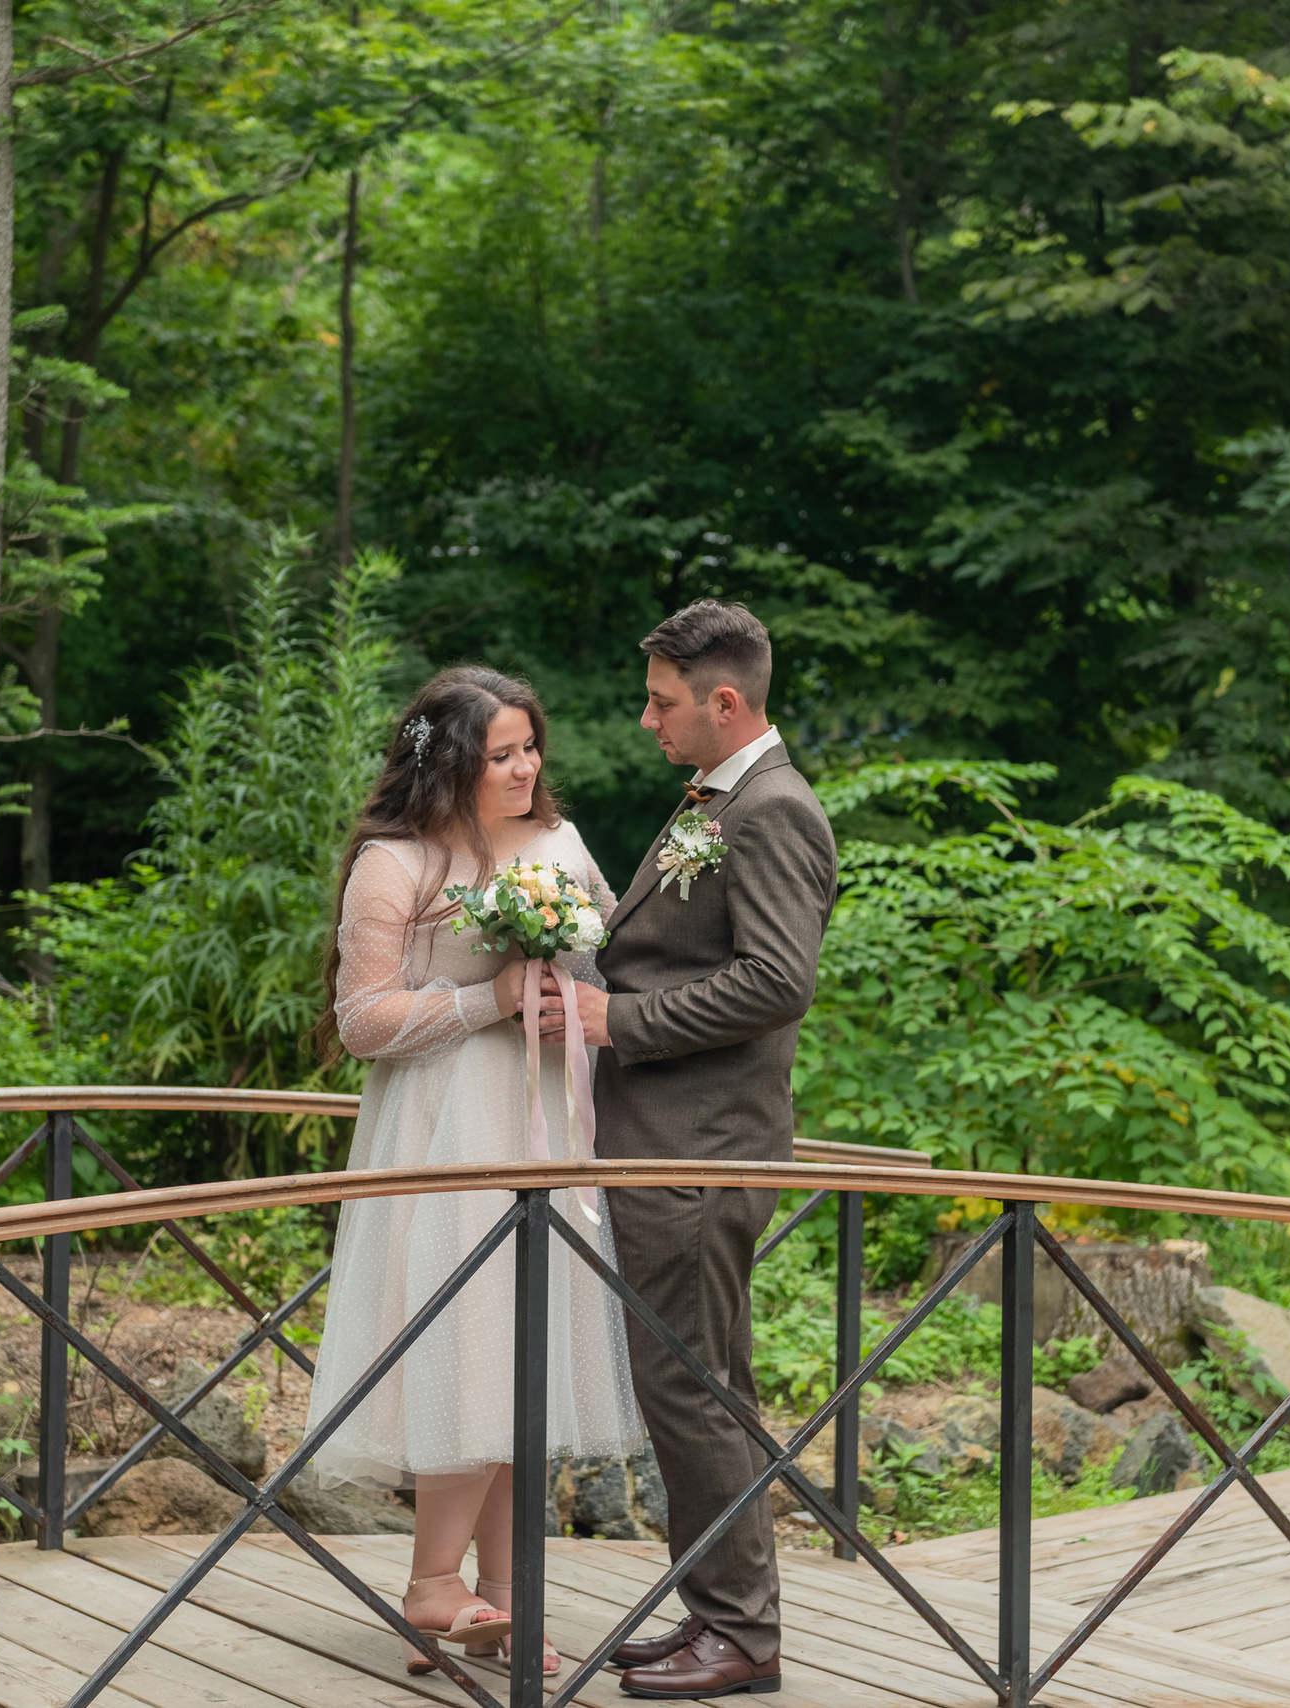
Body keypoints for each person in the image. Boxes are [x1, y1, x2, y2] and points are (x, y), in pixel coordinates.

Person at [302, 665, 642, 1679]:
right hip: (445, 1130)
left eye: (531, 747)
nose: (526, 767)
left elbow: (607, 963)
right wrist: (490, 999)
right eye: (503, 753)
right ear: (449, 758)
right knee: (471, 1336)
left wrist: (573, 999)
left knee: (527, 1353)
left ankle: (501, 1598)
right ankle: (434, 1583)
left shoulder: (562, 847)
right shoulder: (395, 860)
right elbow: (362, 1021)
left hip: (546, 1123)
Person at [536, 600, 838, 1700]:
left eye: (663, 700)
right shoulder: (720, 799)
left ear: (725, 700)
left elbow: (775, 980)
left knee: (695, 1386)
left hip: (698, 1150)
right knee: (691, 1384)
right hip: (670, 1140)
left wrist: (619, 1021)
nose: (647, 717)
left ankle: (743, 1635)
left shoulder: (770, 810)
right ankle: (717, 1610)